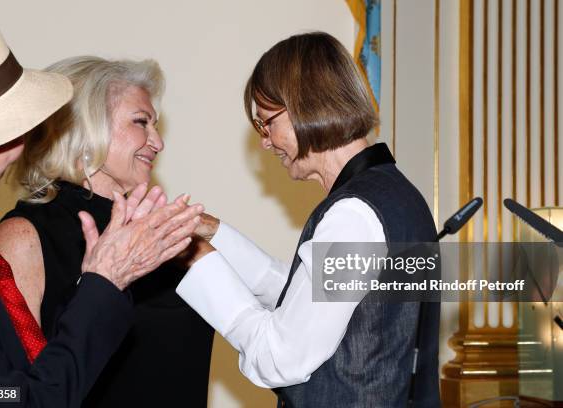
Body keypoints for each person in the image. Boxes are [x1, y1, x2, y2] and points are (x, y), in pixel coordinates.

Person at [0, 4, 203, 407]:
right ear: (88, 130)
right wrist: (102, 283)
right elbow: (2, 395)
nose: (158, 141)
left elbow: (278, 307)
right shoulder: (24, 234)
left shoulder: (164, 229)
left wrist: (218, 237)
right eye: (141, 121)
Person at [176, 32, 441, 407]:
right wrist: (216, 235)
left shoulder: (353, 216)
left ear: (308, 106)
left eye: (267, 122)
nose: (266, 142)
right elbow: (305, 295)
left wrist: (197, 261)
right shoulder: (393, 195)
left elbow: (280, 358)